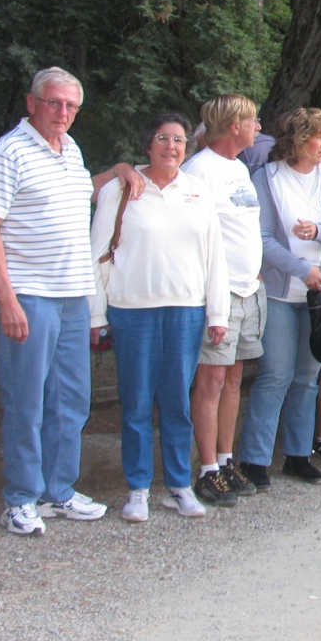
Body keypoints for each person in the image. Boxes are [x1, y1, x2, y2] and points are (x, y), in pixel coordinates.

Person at [0, 66, 138, 534]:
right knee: (26, 401)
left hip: (72, 296)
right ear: (32, 103)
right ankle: (21, 498)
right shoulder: (8, 154)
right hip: (30, 296)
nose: (62, 112)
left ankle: (58, 491)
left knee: (71, 400)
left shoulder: (70, 151)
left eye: (70, 105)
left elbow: (80, 193)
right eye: (53, 102)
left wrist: (118, 172)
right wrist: (6, 300)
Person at [90, 114, 229, 522]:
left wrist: (217, 312)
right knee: (135, 402)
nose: (171, 146)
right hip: (132, 311)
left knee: (176, 402)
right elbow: (98, 254)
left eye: (179, 140)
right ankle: (136, 489)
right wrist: (97, 314)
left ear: (188, 148)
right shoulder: (122, 188)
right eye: (163, 138)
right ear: (148, 144)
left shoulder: (198, 192)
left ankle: (178, 486)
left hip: (185, 309)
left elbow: (214, 256)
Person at [238, 109, 321, 490]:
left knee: (307, 377)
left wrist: (320, 232)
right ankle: (255, 460)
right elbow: (263, 238)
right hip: (280, 291)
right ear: (298, 139)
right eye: (318, 137)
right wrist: (300, 269)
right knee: (275, 375)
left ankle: (298, 455)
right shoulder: (267, 178)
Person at [182, 95, 266, 505]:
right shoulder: (198, 170)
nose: (259, 127)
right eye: (253, 121)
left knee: (234, 377)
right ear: (234, 125)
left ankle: (226, 458)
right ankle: (208, 469)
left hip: (248, 289)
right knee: (211, 379)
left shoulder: (238, 168)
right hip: (220, 292)